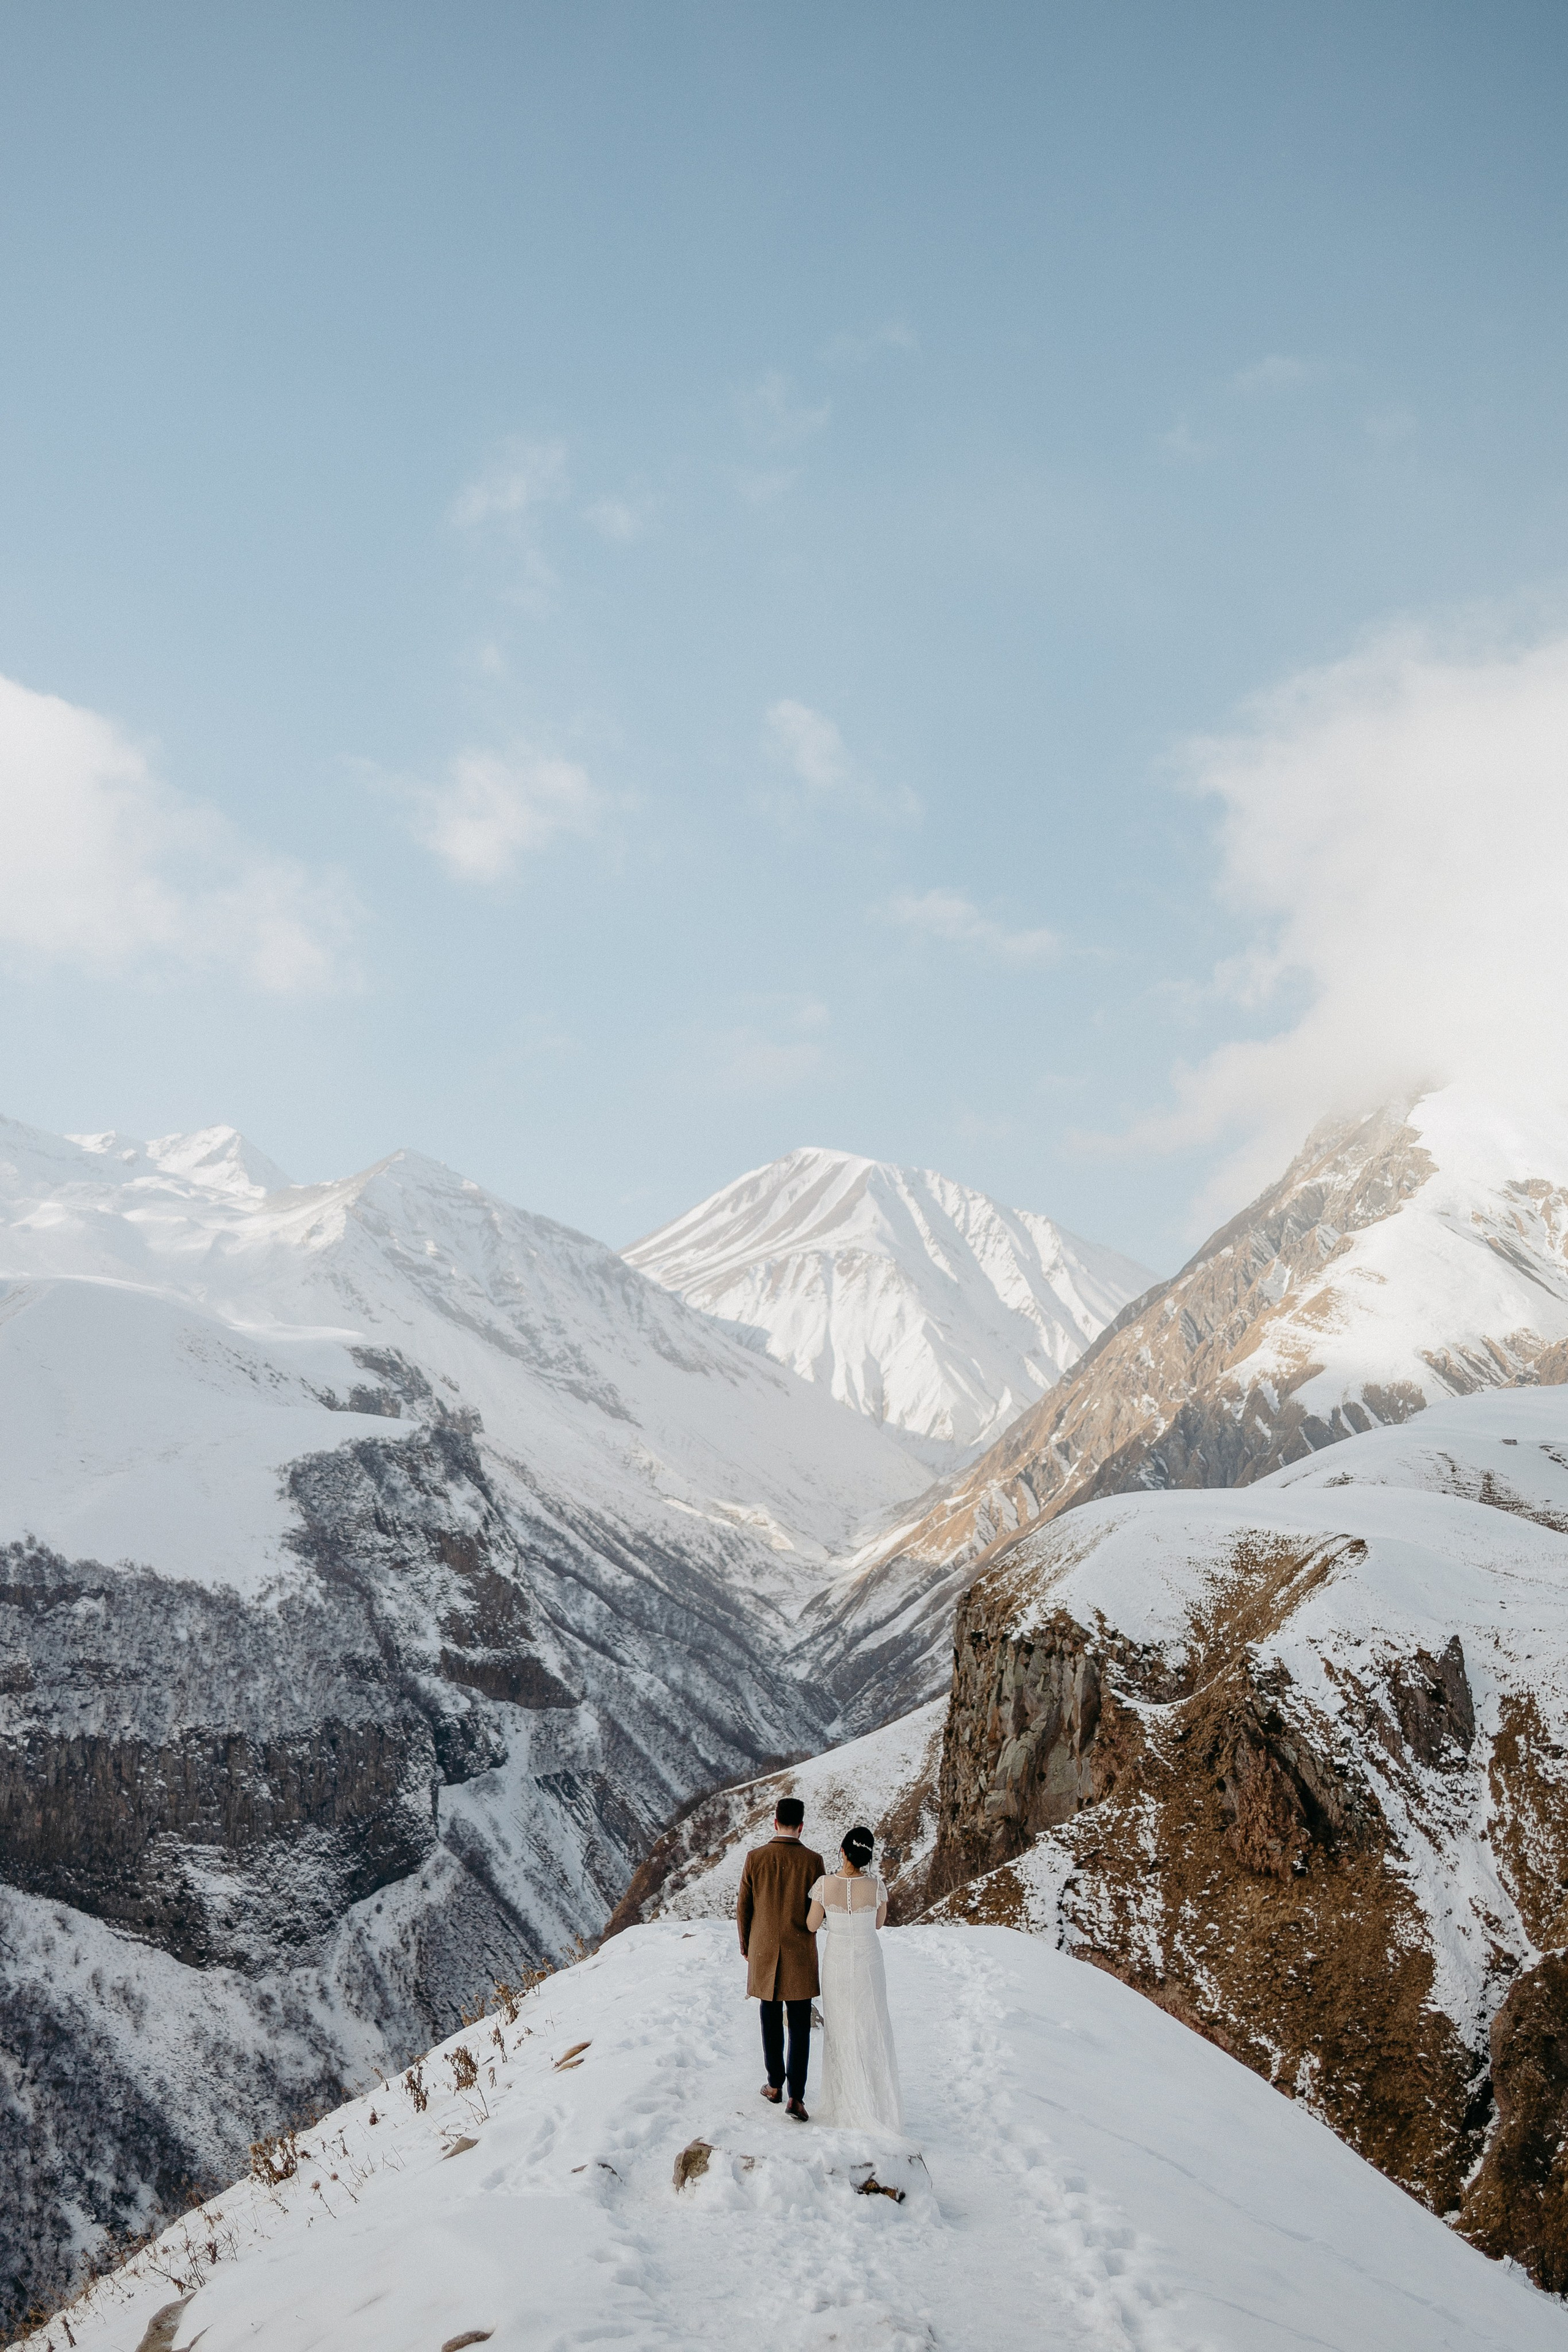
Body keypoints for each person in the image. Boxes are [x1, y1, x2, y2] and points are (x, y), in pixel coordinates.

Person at [805, 1824, 903, 2130]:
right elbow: (878, 1924)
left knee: (840, 2026)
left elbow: (811, 1925)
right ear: (867, 1857)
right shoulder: (876, 1887)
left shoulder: (824, 1885)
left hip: (836, 1960)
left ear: (844, 1851)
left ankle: (844, 2097)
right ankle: (876, 2100)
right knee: (871, 2023)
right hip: (868, 1961)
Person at [736, 1796, 826, 2120]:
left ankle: (774, 2084)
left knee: (770, 2016)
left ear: (775, 1822)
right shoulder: (814, 1862)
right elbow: (818, 1910)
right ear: (801, 1826)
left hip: (763, 1949)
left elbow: (744, 1906)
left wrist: (746, 1944)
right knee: (800, 2024)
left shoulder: (754, 1858)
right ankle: (796, 2098)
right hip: (800, 1951)